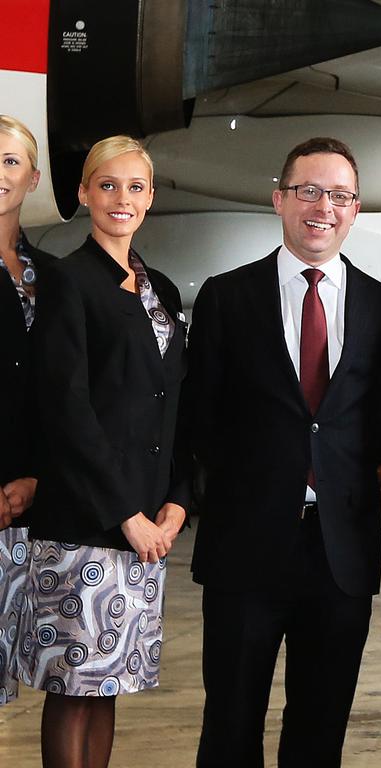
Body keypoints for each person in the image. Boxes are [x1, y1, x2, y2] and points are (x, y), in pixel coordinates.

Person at [186, 137, 381, 767]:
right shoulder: (227, 299)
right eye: (309, 191)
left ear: (356, 209)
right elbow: (203, 415)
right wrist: (263, 479)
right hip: (245, 546)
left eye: (338, 195)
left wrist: (332, 474)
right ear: (279, 199)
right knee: (230, 724)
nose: (323, 207)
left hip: (340, 551)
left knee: (319, 728)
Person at [17, 136, 189, 767]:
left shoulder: (161, 290)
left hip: (146, 522)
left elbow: (173, 402)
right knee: (72, 689)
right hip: (88, 520)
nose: (123, 199)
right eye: (108, 185)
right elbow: (68, 413)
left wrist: (176, 500)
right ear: (84, 193)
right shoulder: (67, 282)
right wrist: (128, 513)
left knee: (107, 687)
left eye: (136, 187)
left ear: (151, 197)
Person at [0, 115, 56, 705]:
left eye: (11, 161)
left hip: (26, 515)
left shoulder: (52, 279)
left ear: (34, 177)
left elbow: (61, 397)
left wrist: (38, 478)